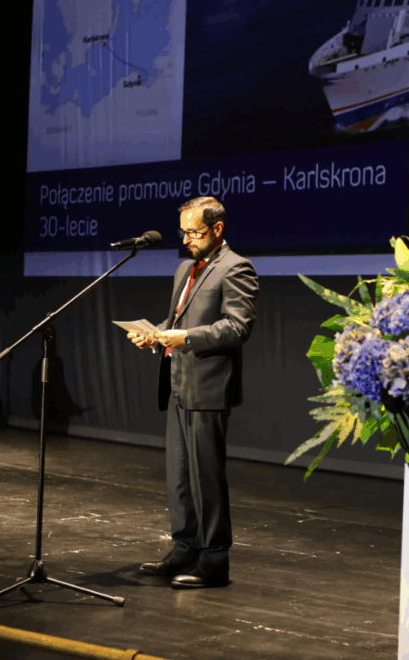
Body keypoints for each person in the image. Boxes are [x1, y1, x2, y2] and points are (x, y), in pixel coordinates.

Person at [127, 196, 259, 588]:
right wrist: (155, 336)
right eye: (183, 232)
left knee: (206, 477)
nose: (187, 240)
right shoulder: (185, 268)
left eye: (194, 232)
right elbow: (177, 320)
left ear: (217, 229)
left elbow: (237, 327)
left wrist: (185, 337)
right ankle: (184, 548)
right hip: (177, 382)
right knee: (180, 476)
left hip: (209, 385)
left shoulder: (236, 268)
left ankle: (214, 559)